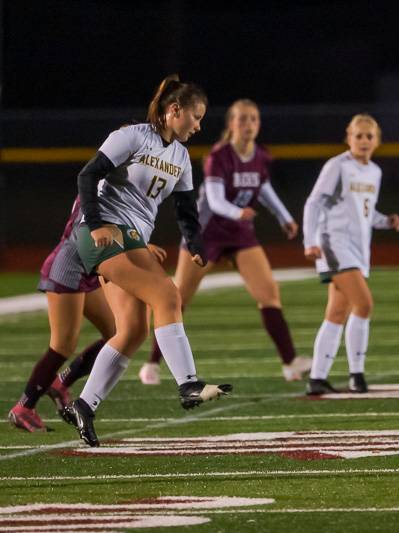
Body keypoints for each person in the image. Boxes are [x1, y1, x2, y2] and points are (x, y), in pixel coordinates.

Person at [65, 74, 232, 447]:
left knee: (134, 330)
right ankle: (188, 383)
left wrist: (197, 244)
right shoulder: (133, 136)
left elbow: (187, 211)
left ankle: (84, 404)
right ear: (174, 111)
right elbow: (87, 175)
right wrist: (95, 224)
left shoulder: (182, 156)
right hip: (105, 233)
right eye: (196, 116)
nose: (199, 125)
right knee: (167, 295)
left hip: (132, 239)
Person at [139, 99, 310, 386]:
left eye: (253, 119)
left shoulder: (260, 155)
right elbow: (216, 201)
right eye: (242, 119)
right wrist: (237, 212)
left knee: (268, 292)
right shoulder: (219, 156)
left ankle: (290, 363)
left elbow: (264, 188)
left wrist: (284, 217)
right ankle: (152, 364)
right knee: (178, 298)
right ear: (231, 124)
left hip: (240, 235)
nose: (248, 125)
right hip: (206, 234)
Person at [7, 197, 169, 432]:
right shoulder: (100, 186)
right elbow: (93, 229)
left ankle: (62, 382)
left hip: (89, 269)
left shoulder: (116, 186)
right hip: (69, 266)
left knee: (117, 332)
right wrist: (139, 246)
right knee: (63, 344)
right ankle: (23, 407)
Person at [302, 114, 399, 395]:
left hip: (358, 248)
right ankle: (356, 374)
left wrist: (387, 221)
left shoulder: (374, 172)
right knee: (364, 304)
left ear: (377, 141)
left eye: (369, 136)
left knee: (337, 312)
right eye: (358, 135)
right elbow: (314, 203)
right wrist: (309, 241)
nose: (363, 141)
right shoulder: (338, 166)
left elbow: (365, 213)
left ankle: (317, 378)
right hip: (334, 243)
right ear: (349, 138)